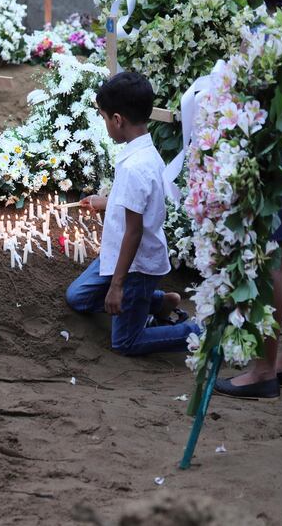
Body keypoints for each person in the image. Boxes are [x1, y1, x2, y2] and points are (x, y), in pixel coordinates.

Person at [214, 0, 282, 400]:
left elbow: (244, 93)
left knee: (274, 254)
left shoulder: (260, 29)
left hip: (275, 149)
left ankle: (264, 368)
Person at [65, 72, 200, 356]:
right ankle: (158, 302)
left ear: (117, 120)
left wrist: (117, 286)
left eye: (104, 119)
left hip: (134, 267)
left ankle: (196, 332)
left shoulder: (134, 167)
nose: (105, 125)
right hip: (117, 257)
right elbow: (137, 202)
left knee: (126, 342)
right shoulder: (142, 153)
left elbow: (134, 231)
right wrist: (107, 202)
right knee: (77, 297)